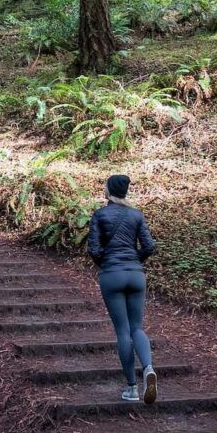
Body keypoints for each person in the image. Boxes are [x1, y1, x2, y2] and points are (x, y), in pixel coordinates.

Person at [87, 173, 158, 404]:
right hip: (136, 275)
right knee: (137, 327)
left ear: (108, 191)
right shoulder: (136, 215)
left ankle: (132, 388)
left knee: (122, 331)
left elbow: (94, 250)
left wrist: (108, 264)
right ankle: (148, 368)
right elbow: (149, 246)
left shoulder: (100, 215)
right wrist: (133, 260)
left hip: (112, 275)